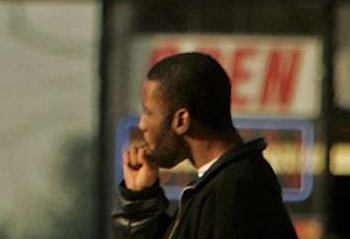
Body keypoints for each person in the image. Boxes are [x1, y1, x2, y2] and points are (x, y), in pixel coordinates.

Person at [112, 52, 299, 239]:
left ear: (181, 121)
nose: (142, 124)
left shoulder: (228, 194)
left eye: (148, 112)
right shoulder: (228, 183)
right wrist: (140, 203)